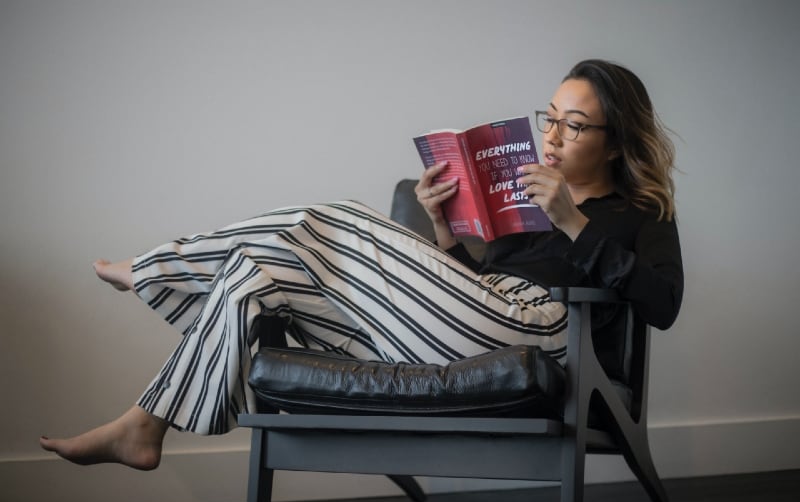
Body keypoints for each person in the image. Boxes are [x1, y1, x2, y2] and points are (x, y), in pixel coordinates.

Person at [40, 59, 683, 471]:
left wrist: (574, 221)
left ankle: (154, 271)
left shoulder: (641, 211)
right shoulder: (520, 195)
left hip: (547, 335)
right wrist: (441, 225)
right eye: (550, 119)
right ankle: (142, 426)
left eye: (574, 126)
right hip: (475, 319)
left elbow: (664, 306)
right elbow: (475, 286)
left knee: (335, 217)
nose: (553, 137)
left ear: (615, 140)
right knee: (254, 276)